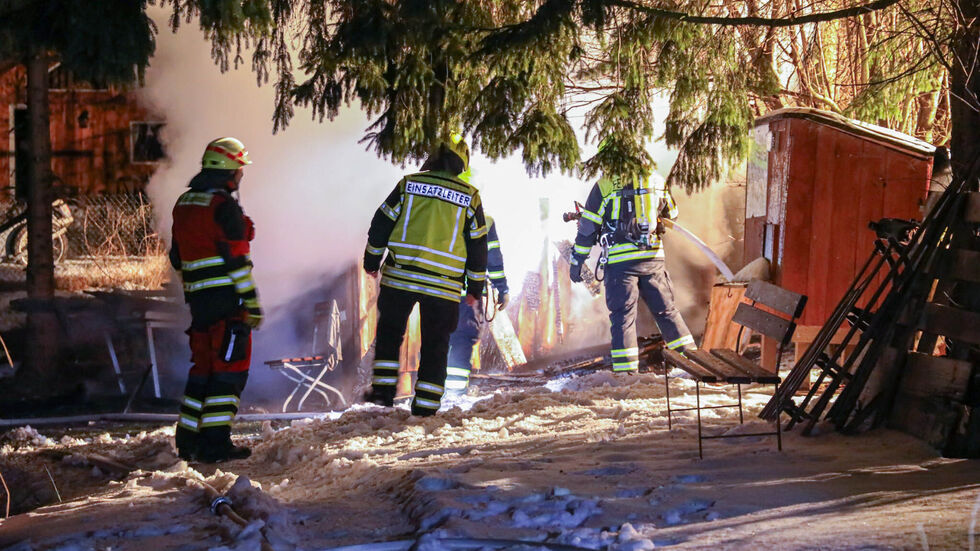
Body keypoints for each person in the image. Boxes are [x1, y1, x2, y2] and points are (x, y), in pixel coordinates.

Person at [363, 134, 488, 415]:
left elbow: (381, 222)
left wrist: (371, 260)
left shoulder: (409, 184)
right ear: (461, 163)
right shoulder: (470, 196)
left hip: (400, 277)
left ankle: (383, 392)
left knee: (390, 334)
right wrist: (475, 289)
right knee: (436, 343)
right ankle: (426, 407)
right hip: (443, 287)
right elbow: (478, 245)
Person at [170, 137, 263, 463]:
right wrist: (251, 304)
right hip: (228, 307)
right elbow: (237, 262)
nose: (241, 175)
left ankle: (188, 441)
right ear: (229, 170)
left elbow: (177, 258)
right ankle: (215, 443)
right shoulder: (223, 207)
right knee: (228, 374)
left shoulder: (184, 203)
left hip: (200, 306)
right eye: (239, 168)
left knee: (203, 371)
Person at [569, 159, 695, 372]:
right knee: (667, 312)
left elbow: (588, 228)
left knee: (623, 318)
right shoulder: (655, 179)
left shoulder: (605, 184)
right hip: (653, 259)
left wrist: (577, 261)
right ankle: (692, 364)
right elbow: (672, 213)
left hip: (621, 264)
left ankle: (627, 374)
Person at [444, 214, 509, 397]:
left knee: (437, 338)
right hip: (466, 294)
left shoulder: (436, 213)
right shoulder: (484, 221)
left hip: (437, 291)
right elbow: (493, 259)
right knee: (462, 338)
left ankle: (433, 390)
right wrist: (502, 289)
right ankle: (454, 393)